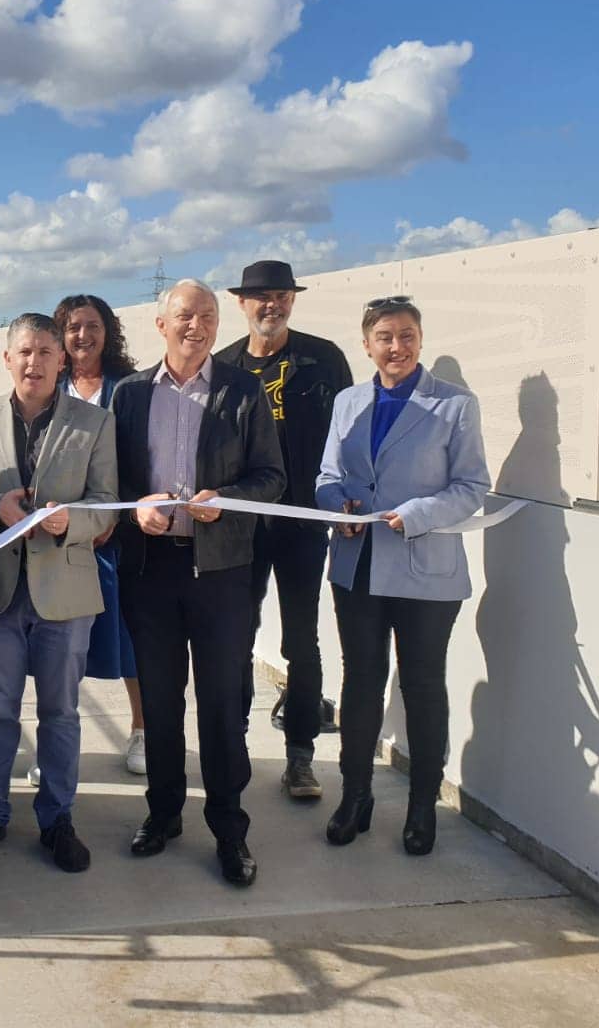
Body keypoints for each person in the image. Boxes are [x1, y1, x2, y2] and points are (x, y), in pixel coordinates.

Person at [110, 280, 285, 887]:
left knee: (222, 705)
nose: (197, 325)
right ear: (161, 324)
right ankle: (162, 814)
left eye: (208, 315)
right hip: (151, 571)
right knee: (160, 703)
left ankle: (229, 828)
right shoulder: (131, 394)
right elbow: (110, 482)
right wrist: (136, 507)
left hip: (221, 573)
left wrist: (227, 499)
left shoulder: (244, 391)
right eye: (185, 315)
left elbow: (272, 478)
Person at [316, 295, 489, 856]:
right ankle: (355, 797)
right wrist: (337, 507)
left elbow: (472, 486)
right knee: (361, 682)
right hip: (358, 564)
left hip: (425, 569)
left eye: (407, 335)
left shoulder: (456, 405)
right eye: (385, 337)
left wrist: (417, 514)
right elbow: (327, 476)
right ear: (367, 345)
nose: (398, 347)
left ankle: (421, 807)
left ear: (421, 339)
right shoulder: (347, 401)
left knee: (422, 685)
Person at [0, 312, 117, 874]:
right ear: (7, 359)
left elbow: (107, 502)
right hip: (0, 592)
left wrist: (71, 520)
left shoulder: (95, 422)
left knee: (61, 712)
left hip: (64, 594)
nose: (34, 362)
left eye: (46, 352)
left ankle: (57, 819)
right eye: (24, 351)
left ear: (61, 360)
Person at [214, 260, 354, 801]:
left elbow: (347, 436)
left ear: (292, 300)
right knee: (235, 636)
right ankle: (233, 750)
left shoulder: (323, 359)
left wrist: (343, 501)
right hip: (240, 525)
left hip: (302, 521)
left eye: (281, 295)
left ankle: (300, 757)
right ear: (242, 303)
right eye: (261, 297)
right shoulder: (224, 366)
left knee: (301, 640)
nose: (271, 305)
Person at [54, 294, 144, 777]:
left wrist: (112, 519)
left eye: (92, 326)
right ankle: (58, 739)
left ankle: (142, 730)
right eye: (73, 327)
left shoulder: (129, 389)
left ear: (108, 332)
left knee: (130, 638)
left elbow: (139, 460)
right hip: (60, 537)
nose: (83, 336)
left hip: (117, 536)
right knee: (59, 645)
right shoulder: (49, 387)